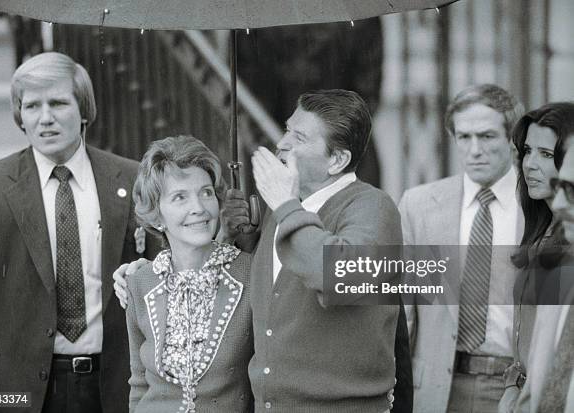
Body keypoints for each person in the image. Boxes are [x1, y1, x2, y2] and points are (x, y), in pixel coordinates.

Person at [116, 89, 404, 412]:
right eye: (286, 130)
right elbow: (281, 294)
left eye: (299, 137)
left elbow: (339, 276)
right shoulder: (280, 211)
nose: (282, 144)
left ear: (337, 160)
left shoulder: (372, 206)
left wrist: (284, 204)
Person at [0, 52, 158, 413]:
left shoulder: (130, 180)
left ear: (83, 111)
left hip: (114, 389)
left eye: (58, 103)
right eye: (32, 105)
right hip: (16, 394)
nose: (45, 118)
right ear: (20, 116)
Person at [399, 84, 525, 412]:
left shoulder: (539, 208)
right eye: (463, 137)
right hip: (436, 388)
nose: (474, 150)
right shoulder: (420, 206)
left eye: (486, 136)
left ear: (513, 141)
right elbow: (405, 309)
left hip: (513, 388)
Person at [125, 136, 253, 412]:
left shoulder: (251, 274)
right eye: (180, 197)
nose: (199, 207)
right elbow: (138, 386)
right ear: (156, 217)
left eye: (206, 192)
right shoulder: (139, 282)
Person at [500, 102, 574, 413]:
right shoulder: (539, 231)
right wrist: (511, 387)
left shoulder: (566, 246)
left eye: (546, 154)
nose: (530, 164)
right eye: (527, 151)